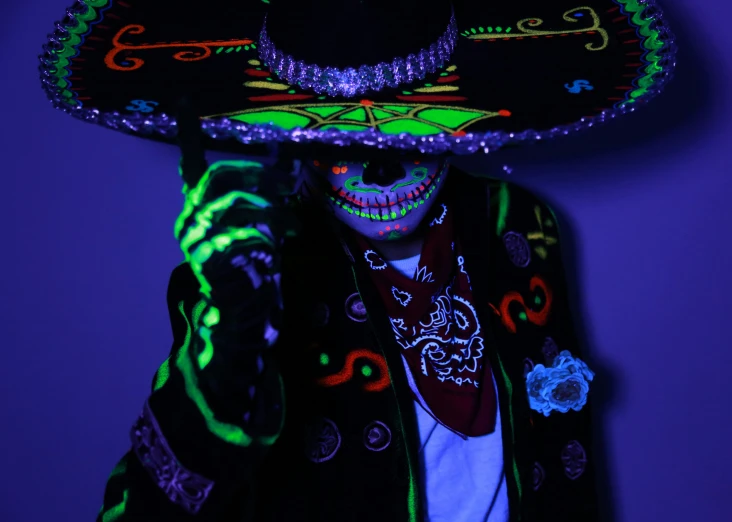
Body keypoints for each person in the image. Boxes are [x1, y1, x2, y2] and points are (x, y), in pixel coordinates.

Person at [36, 0, 676, 520]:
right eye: (340, 139)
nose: (381, 167)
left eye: (410, 133)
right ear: (287, 135)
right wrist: (232, 335)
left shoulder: (519, 224)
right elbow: (155, 503)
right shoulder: (246, 279)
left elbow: (563, 457)